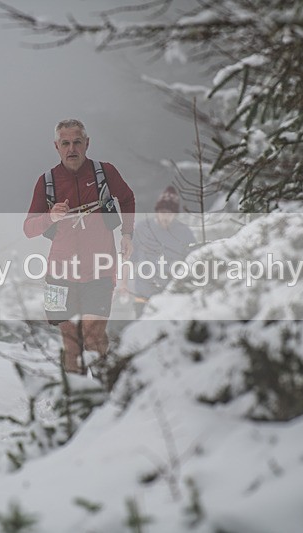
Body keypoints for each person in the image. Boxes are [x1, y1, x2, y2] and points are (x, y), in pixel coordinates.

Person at [24, 119, 135, 376]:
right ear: (56, 146)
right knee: (70, 344)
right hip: (57, 276)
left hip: (100, 271)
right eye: (65, 143)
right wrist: (50, 217)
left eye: (77, 142)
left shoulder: (104, 173)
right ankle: (74, 404)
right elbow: (28, 228)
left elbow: (127, 198)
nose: (71, 148)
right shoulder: (47, 181)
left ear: (87, 143)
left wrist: (127, 234)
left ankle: (103, 397)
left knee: (94, 337)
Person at [123, 185, 196, 316]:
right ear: (157, 211)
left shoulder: (185, 233)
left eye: (170, 213)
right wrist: (124, 284)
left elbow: (193, 263)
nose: (165, 217)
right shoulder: (142, 229)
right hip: (143, 294)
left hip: (172, 296)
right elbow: (129, 259)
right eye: (163, 212)